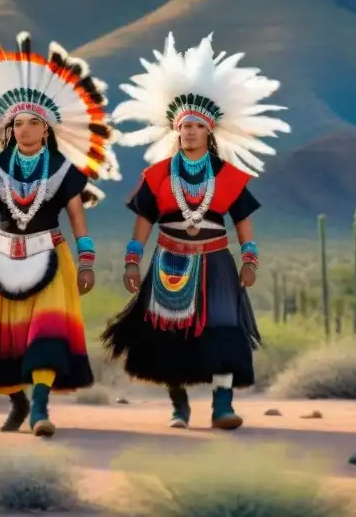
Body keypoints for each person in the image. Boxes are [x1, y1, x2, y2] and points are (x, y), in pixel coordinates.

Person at [0, 30, 120, 437]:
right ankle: (18, 402)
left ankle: (39, 409)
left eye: (32, 122)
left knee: (45, 336)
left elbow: (77, 219)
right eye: (17, 122)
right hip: (2, 259)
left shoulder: (65, 169)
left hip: (51, 257)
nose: (23, 128)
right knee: (2, 342)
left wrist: (87, 262)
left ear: (47, 127)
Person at [101, 33, 290, 430]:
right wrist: (132, 262)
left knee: (224, 328)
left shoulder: (229, 177)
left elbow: (242, 223)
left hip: (217, 260)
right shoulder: (155, 177)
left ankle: (223, 406)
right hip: (168, 258)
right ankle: (179, 406)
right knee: (168, 335)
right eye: (183, 125)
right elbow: (142, 225)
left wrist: (250, 259)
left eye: (196, 126)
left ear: (209, 132)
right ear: (175, 130)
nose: (188, 131)